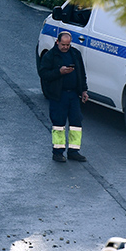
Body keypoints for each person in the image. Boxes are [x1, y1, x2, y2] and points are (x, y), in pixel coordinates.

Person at [38, 31, 88, 163]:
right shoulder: (51, 56)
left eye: (68, 44)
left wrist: (84, 90)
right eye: (63, 44)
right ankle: (58, 152)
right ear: (57, 42)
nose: (66, 47)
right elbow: (43, 73)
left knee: (76, 124)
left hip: (73, 94)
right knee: (58, 125)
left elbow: (81, 73)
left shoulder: (75, 54)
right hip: (58, 95)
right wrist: (59, 72)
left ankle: (73, 151)